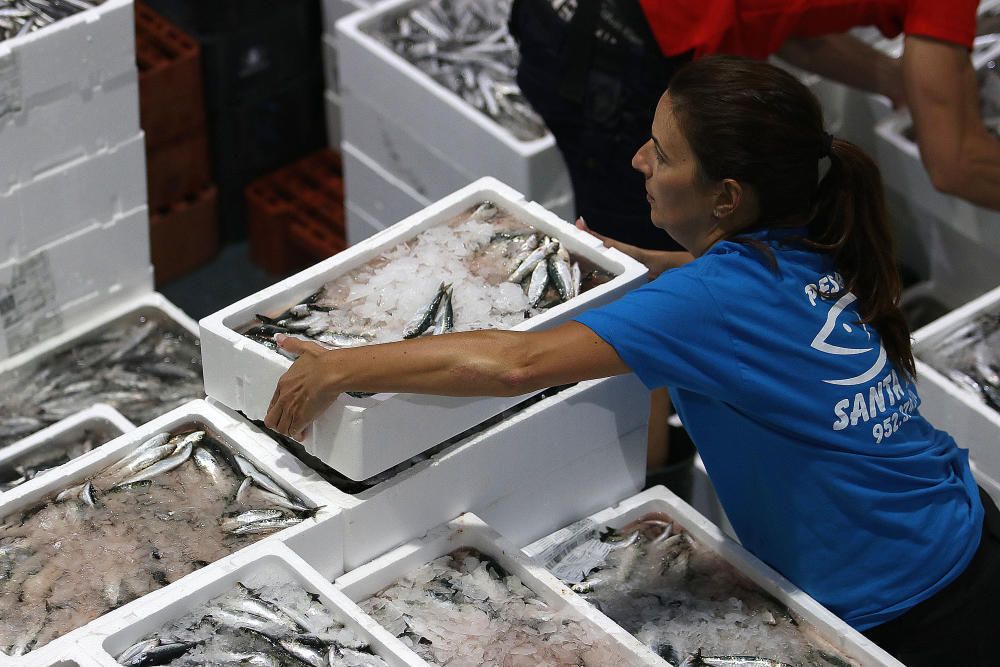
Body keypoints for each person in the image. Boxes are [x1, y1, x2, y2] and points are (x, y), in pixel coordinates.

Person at [265, 56, 998, 664]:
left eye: (665, 152)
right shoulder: (808, 230)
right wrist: (641, 265)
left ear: (726, 197)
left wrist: (344, 366)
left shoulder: (712, 300)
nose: (638, 160)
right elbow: (731, 298)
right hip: (966, 530)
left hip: (915, 611)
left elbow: (515, 365)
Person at [508, 0, 999, 261]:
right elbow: (955, 165)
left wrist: (894, 79)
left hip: (561, 22)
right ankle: (651, 446)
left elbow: (789, 21)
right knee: (627, 269)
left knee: (619, 244)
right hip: (621, 48)